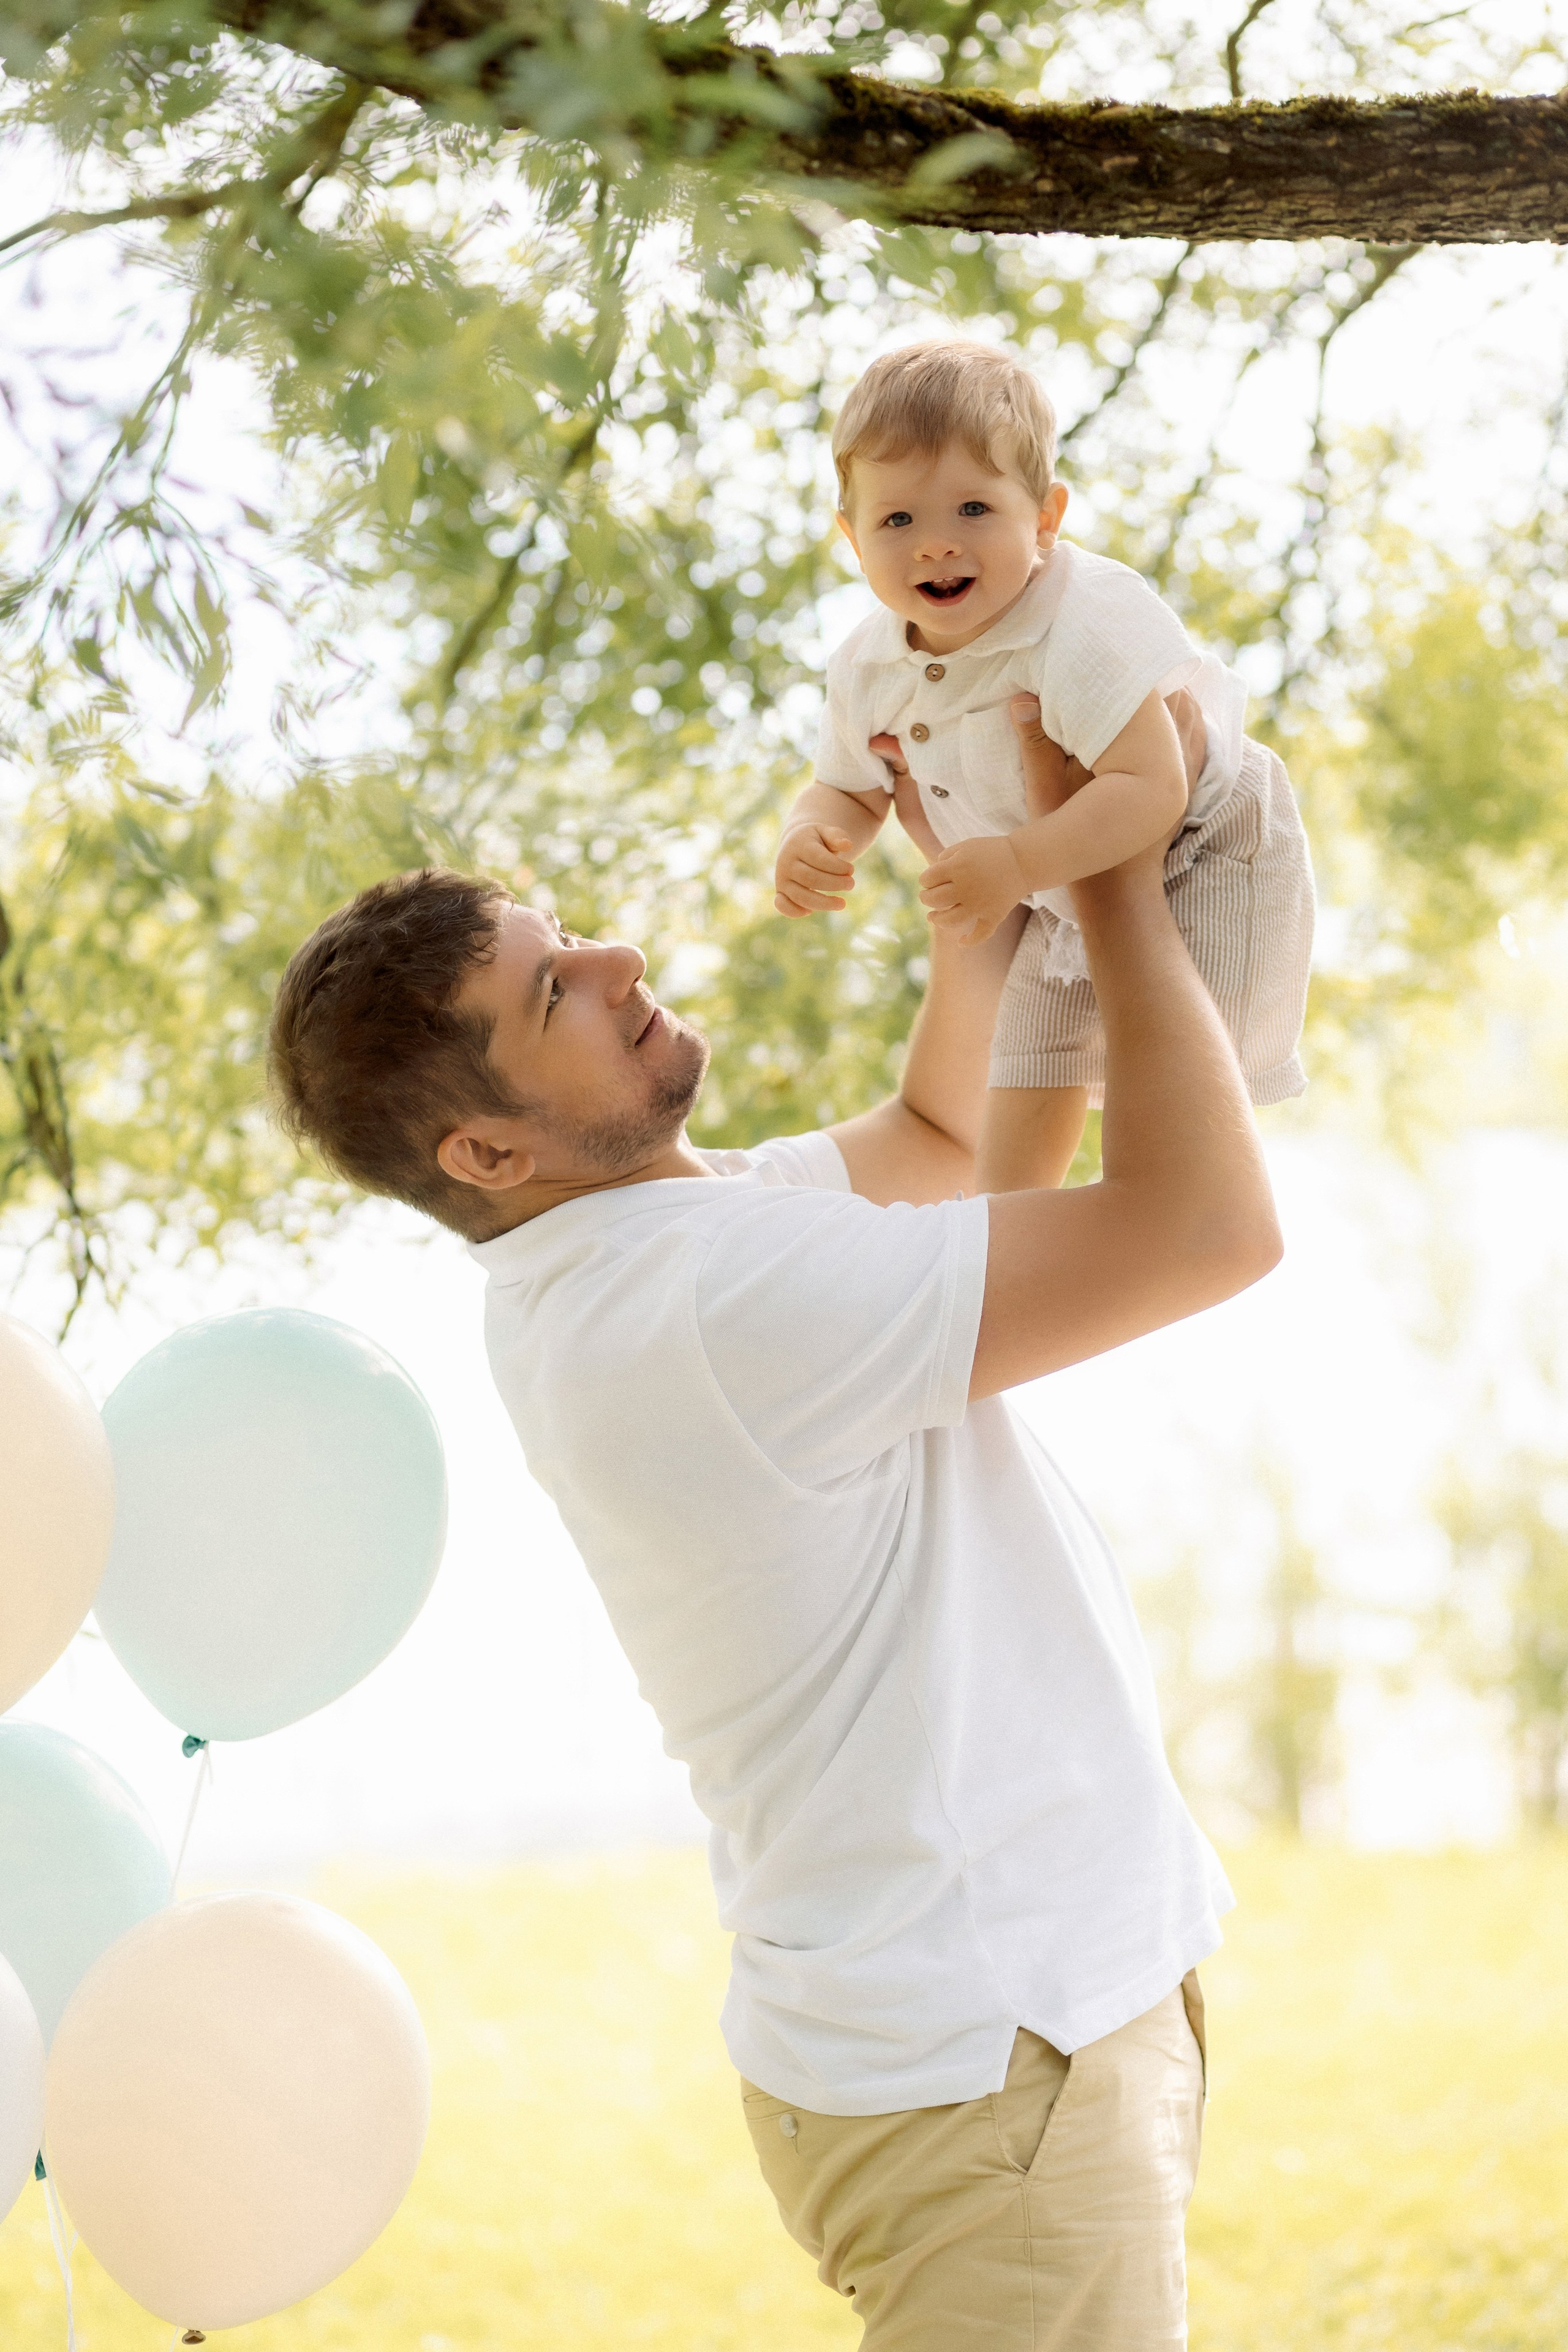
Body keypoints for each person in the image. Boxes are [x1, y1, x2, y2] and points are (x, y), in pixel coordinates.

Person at [267, 694, 1283, 2350]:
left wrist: (987, 886)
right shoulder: (699, 1304)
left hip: (988, 2026)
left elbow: (945, 1146)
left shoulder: (641, 1245)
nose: (612, 964)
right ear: (488, 1146)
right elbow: (1206, 1230)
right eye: (554, 994)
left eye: (572, 936)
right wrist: (1109, 865)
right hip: (990, 2060)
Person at [775, 336, 1315, 1194]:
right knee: (1028, 1053)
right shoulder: (868, 667)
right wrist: (812, 835)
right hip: (1052, 881)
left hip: (1204, 850)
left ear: (1046, 516)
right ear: (852, 537)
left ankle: (1162, 1222)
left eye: (974, 511)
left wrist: (1020, 860)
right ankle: (1003, 1229)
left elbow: (1152, 787)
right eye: (898, 520)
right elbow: (847, 787)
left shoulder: (1081, 622)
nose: (934, 545)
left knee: (1178, 1070)